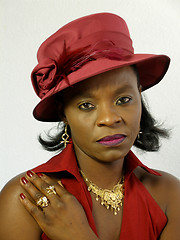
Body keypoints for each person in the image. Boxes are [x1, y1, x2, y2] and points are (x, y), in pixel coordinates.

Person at [0, 12, 179, 240]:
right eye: (86, 105)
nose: (109, 118)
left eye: (123, 99)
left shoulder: (170, 195)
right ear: (63, 113)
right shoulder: (26, 200)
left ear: (139, 95)